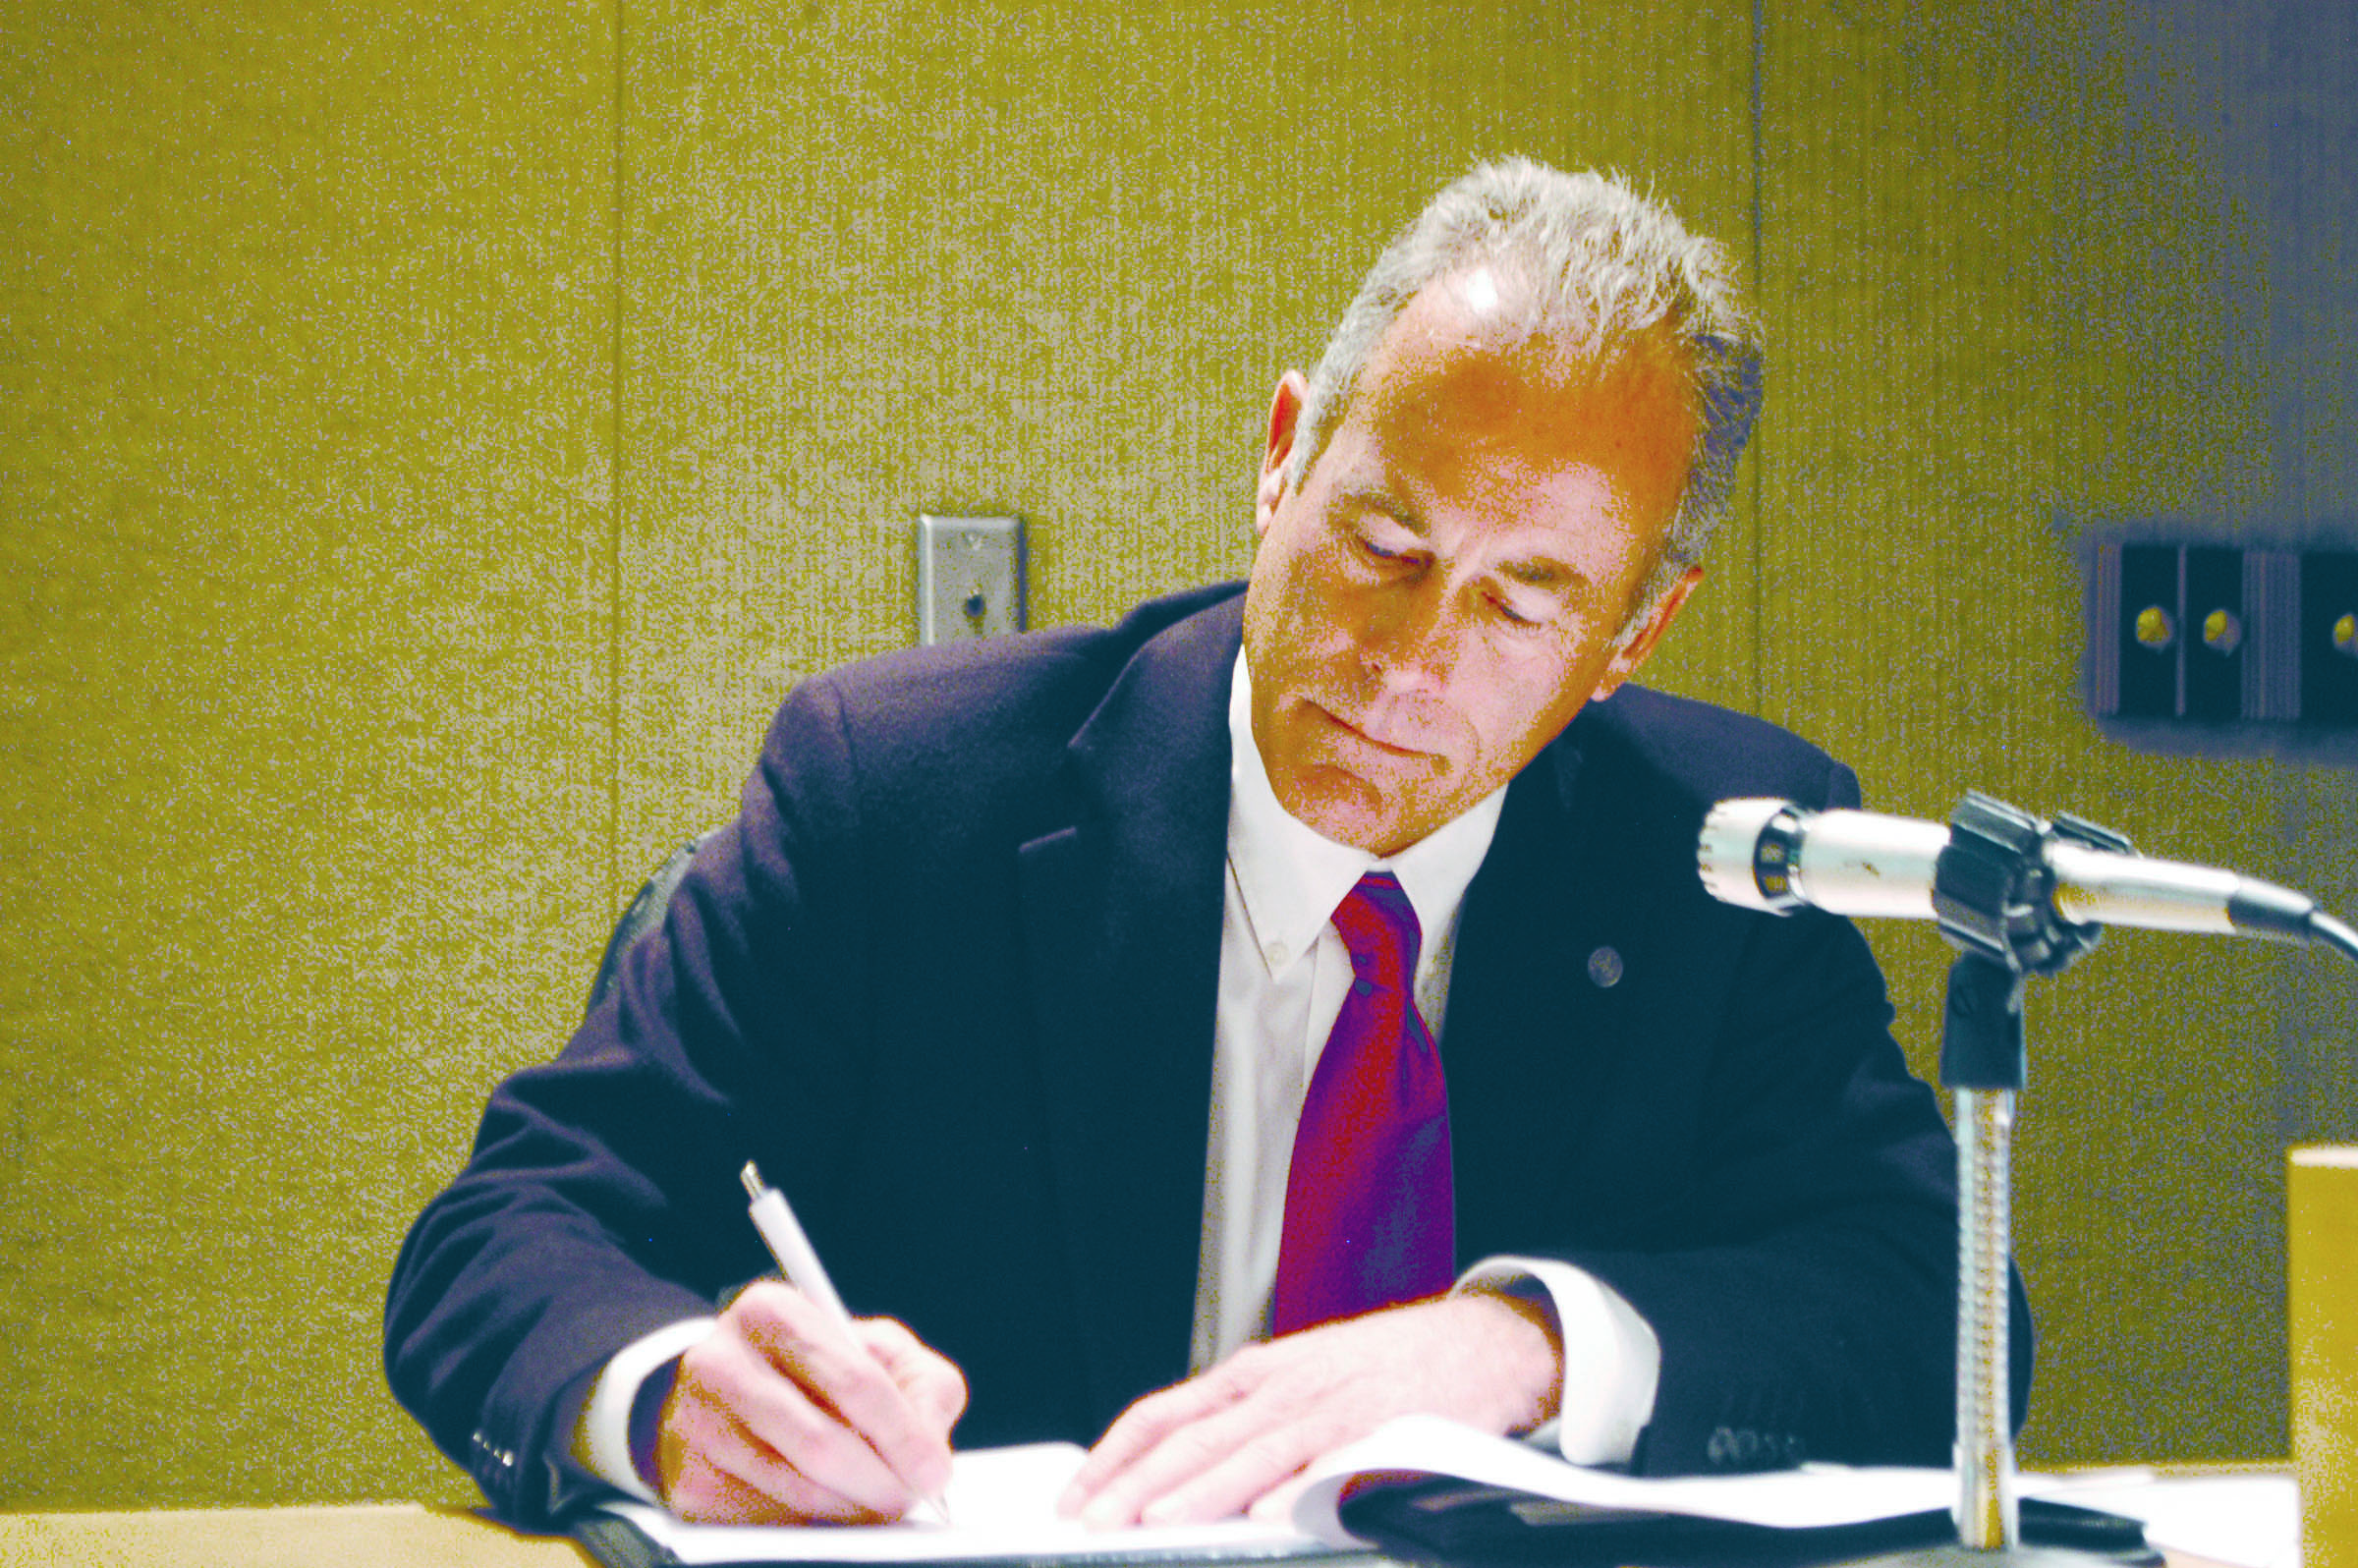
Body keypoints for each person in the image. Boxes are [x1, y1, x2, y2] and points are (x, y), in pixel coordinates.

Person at [385, 156, 2030, 1532]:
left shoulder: (1722, 863)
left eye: (1525, 603)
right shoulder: (906, 795)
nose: (1408, 660)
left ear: (1633, 636)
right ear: (1280, 458)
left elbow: (1938, 1316)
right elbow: (507, 1231)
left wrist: (1520, 1350)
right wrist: (672, 1399)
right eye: (1384, 542)